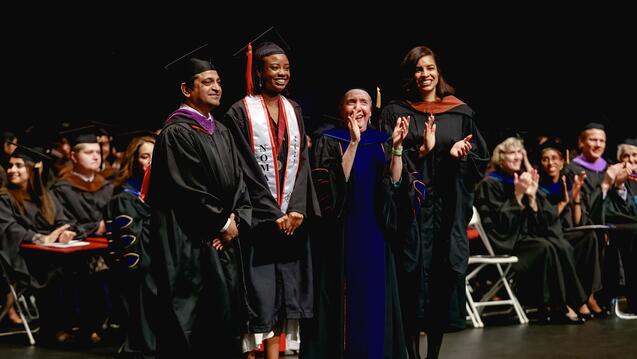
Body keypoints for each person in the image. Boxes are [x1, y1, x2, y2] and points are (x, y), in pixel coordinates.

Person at [379, 45, 489, 359]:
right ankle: (413, 355)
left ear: (438, 72)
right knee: (411, 280)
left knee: (443, 279)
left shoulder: (460, 112)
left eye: (429, 68)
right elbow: (386, 162)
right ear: (409, 75)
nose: (424, 75)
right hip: (411, 214)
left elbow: (479, 159)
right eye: (418, 69)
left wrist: (458, 157)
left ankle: (434, 355)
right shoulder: (394, 112)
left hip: (447, 212)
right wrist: (422, 154)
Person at [148, 52, 251, 358]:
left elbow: (240, 184)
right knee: (191, 327)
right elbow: (188, 191)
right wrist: (222, 223)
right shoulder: (176, 132)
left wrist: (237, 221)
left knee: (223, 323)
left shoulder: (221, 130)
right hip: (189, 244)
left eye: (218, 82)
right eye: (207, 82)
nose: (216, 87)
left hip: (222, 243)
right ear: (186, 90)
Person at [224, 38, 319, 358]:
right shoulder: (240, 112)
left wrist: (297, 210)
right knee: (259, 296)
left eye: (286, 68)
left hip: (290, 223)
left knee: (284, 296)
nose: (282, 73)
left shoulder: (294, 109)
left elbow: (303, 165)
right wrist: (271, 212)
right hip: (259, 224)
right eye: (274, 67)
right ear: (259, 73)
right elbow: (244, 168)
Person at [304, 88, 412, 358]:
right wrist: (353, 142)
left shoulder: (383, 141)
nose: (358, 107)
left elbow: (397, 183)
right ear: (342, 109)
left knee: (375, 301)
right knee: (345, 300)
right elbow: (330, 188)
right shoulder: (329, 140)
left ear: (371, 109)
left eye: (363, 101)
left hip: (376, 233)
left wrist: (398, 148)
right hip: (342, 235)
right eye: (351, 102)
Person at [475, 137, 588, 324]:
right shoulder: (489, 184)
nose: (517, 157)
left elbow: (539, 222)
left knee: (559, 244)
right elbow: (499, 226)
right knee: (545, 247)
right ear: (500, 157)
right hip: (506, 241)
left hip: (526, 237)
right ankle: (554, 305)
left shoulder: (522, 180)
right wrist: (518, 196)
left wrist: (532, 198)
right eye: (512, 153)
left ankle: (570, 301)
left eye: (520, 152)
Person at [0, 144, 78, 338]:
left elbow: (63, 220)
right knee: (56, 271)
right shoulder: (4, 197)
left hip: (48, 253)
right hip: (21, 256)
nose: (12, 171)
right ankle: (54, 327)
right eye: (10, 166)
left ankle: (83, 325)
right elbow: (9, 228)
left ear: (33, 168)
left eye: (19, 166)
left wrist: (64, 233)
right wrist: (41, 238)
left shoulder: (46, 196)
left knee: (79, 267)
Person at [105, 133, 157, 358]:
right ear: (135, 160)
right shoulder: (125, 198)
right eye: (145, 156)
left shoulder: (170, 193)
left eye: (156, 156)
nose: (151, 162)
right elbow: (131, 252)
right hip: (142, 277)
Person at [537, 140, 602, 318]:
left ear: (562, 161)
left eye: (554, 158)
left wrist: (576, 199)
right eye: (545, 159)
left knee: (589, 237)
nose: (550, 163)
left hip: (567, 232)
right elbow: (544, 223)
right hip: (550, 235)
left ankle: (589, 295)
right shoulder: (538, 187)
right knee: (562, 247)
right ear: (540, 163)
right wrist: (563, 203)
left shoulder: (567, 182)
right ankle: (577, 300)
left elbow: (578, 221)